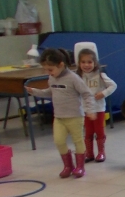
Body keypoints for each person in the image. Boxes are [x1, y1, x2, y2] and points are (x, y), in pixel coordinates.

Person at [25, 48, 95, 179]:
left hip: (74, 116)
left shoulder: (73, 78)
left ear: (61, 65)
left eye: (50, 69)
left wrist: (90, 110)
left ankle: (80, 167)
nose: (48, 73)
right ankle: (68, 166)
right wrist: (35, 91)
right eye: (46, 70)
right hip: (59, 117)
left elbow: (87, 94)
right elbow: (50, 92)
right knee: (59, 141)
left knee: (78, 141)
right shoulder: (52, 78)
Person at [75, 44, 117, 163]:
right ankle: (89, 153)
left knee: (99, 131)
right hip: (85, 109)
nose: (86, 65)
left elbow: (113, 85)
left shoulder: (100, 74)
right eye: (83, 62)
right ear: (79, 63)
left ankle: (101, 152)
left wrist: (103, 93)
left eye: (89, 62)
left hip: (98, 108)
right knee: (88, 132)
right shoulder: (78, 76)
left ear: (95, 63)